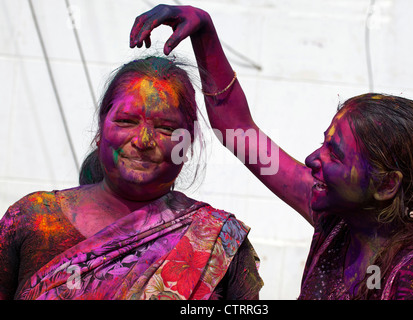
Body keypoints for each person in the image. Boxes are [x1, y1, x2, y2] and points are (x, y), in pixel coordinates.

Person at [129, 4, 413, 299]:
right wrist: (205, 32)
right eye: (324, 142)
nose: (312, 159)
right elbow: (236, 130)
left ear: (385, 185)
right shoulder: (337, 221)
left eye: (335, 154)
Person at [0, 55, 263, 300]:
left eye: (165, 128)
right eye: (126, 121)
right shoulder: (32, 220)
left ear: (187, 143)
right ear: (100, 129)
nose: (143, 141)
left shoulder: (218, 243)